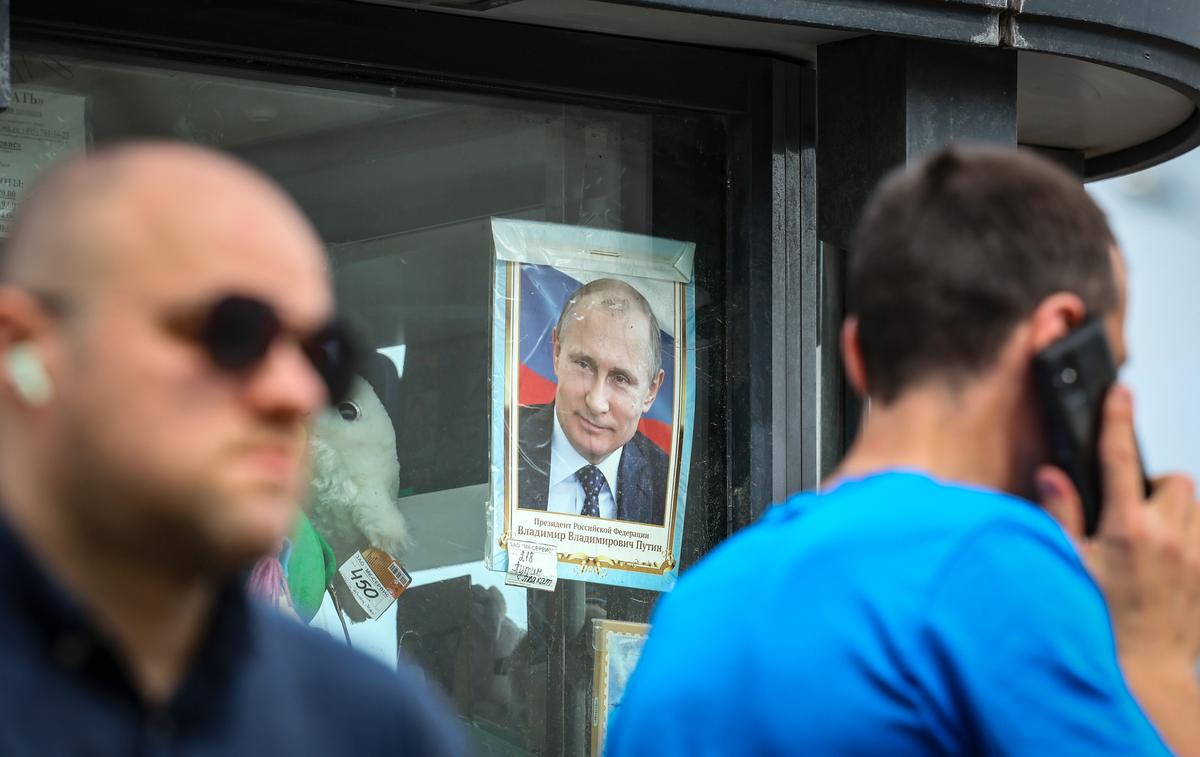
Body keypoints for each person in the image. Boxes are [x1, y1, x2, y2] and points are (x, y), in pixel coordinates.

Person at [607, 147, 1200, 755]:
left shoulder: (698, 608)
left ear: (859, 356)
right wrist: (1156, 656)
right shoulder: (999, 568)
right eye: (1111, 370)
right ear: (1056, 338)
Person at [0, 142, 466, 755]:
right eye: (234, 332)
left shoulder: (374, 725)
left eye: (319, 355)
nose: (295, 393)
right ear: (26, 351)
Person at [518, 277, 668, 525]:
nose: (597, 402)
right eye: (584, 365)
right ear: (557, 352)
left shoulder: (671, 485)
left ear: (651, 391)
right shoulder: (501, 446)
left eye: (620, 378)